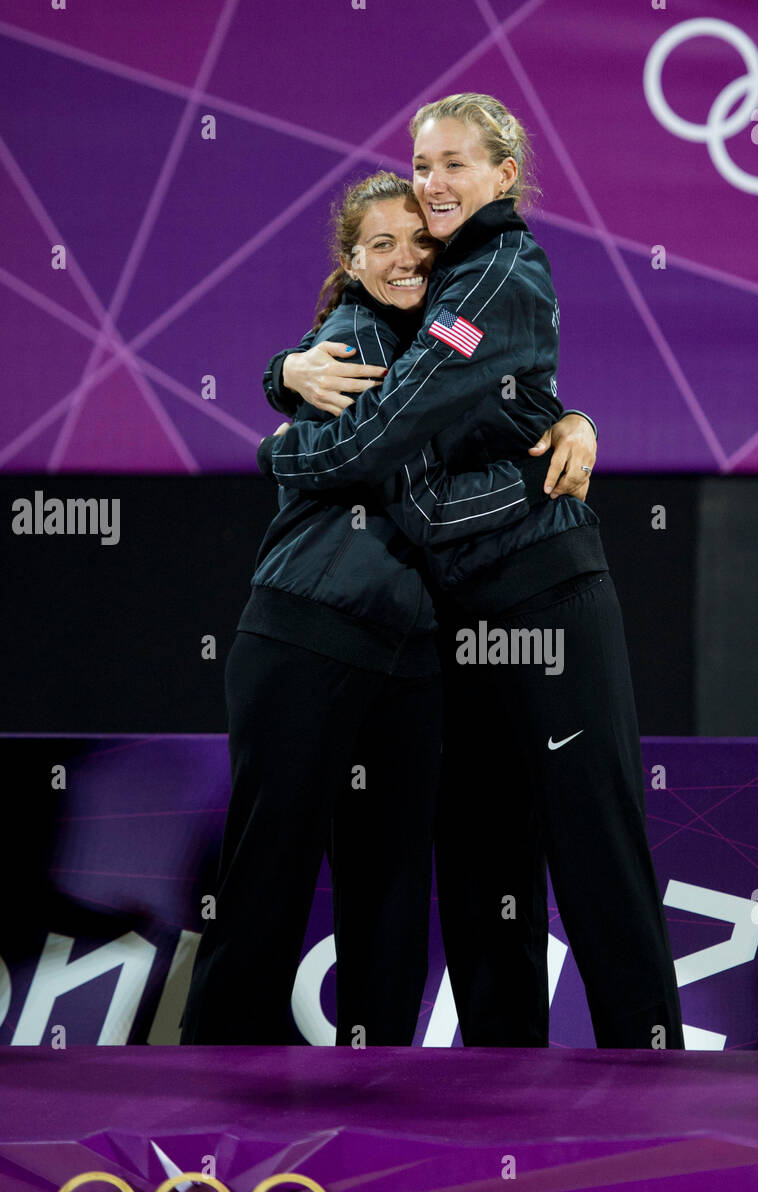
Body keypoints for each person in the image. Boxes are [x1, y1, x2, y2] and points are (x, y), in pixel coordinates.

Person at [261, 93, 684, 1050]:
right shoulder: (435, 280)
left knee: (593, 840)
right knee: (483, 851)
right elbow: (500, 396)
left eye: (457, 164)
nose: (436, 183)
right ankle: (503, 1095)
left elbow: (391, 433)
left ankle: (655, 1079)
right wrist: (284, 374)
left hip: (547, 596)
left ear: (505, 176)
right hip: (455, 616)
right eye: (423, 165)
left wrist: (277, 448)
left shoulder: (499, 267)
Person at [179, 171, 594, 1045]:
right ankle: (207, 1098)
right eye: (381, 245)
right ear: (351, 261)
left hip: (410, 659)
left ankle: (376, 1094)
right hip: (307, 637)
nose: (406, 258)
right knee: (269, 872)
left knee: (391, 888)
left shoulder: (450, 343)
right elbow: (411, 491)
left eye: (421, 242)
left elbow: (512, 408)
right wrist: (280, 432)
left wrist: (576, 422)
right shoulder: (354, 339)